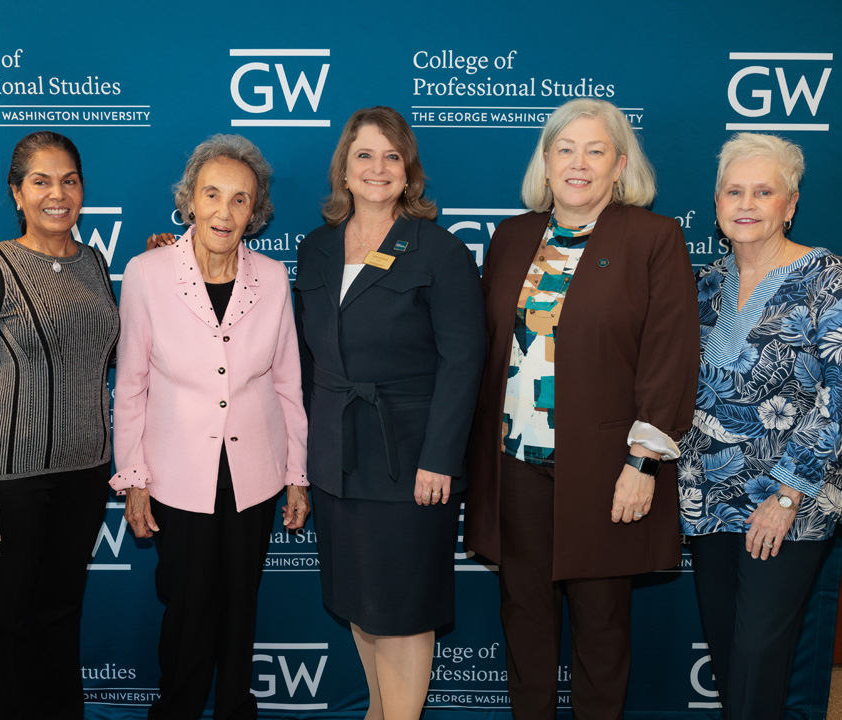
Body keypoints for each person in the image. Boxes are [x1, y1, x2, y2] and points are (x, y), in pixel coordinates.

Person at [462, 98, 699, 719]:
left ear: (620, 165)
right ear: (546, 160)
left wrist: (642, 464)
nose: (579, 163)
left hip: (605, 470)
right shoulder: (512, 237)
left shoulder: (653, 237)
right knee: (525, 618)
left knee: (600, 627)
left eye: (596, 151)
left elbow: (669, 356)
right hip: (517, 463)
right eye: (565, 149)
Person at [293, 106, 485, 718]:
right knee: (361, 603)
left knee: (403, 610)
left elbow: (464, 361)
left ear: (410, 172)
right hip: (336, 459)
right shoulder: (316, 248)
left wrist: (440, 461)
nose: (378, 168)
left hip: (410, 460)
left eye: (392, 156)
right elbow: (301, 357)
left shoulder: (439, 250)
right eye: (364, 156)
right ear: (343, 170)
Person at [111, 134, 309, 720]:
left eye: (240, 199)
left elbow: (287, 383)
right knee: (187, 609)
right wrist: (134, 477)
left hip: (255, 474)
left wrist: (297, 475)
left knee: (239, 610)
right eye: (212, 195)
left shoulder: (272, 277)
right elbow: (130, 385)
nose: (224, 211)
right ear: (189, 201)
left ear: (257, 212)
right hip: (177, 476)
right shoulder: (147, 272)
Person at [0, 131, 117, 718]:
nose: (57, 193)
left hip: (86, 470)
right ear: (16, 193)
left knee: (59, 615)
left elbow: (110, 352)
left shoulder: (96, 262)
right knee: (3, 626)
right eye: (41, 181)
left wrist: (173, 262)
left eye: (69, 180)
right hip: (12, 479)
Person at [678, 133, 842, 719]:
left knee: (757, 651)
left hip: (789, 500)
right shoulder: (702, 284)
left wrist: (788, 493)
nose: (747, 203)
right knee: (729, 656)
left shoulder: (827, 276)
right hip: (707, 496)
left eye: (764, 191)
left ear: (790, 204)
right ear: (718, 204)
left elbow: (837, 396)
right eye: (734, 191)